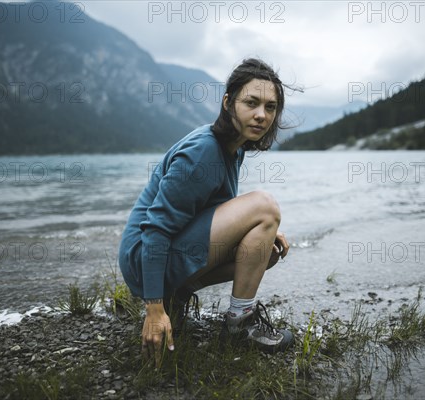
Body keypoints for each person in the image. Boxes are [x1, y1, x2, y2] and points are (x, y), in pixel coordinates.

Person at [118, 58, 296, 367]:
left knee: (267, 252)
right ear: (228, 102)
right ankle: (239, 325)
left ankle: (179, 295)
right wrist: (152, 309)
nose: (261, 115)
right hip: (143, 258)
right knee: (265, 206)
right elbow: (156, 229)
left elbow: (208, 210)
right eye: (251, 103)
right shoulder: (203, 151)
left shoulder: (234, 147)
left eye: (270, 107)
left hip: (165, 253)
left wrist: (260, 231)